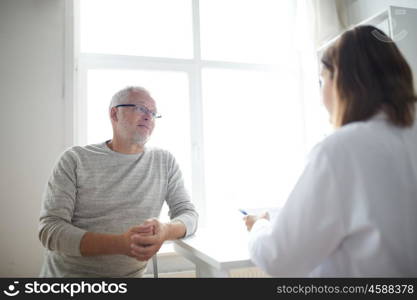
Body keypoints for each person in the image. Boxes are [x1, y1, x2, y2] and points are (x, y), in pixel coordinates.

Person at [244, 25, 417, 277]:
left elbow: (278, 258)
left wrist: (258, 226)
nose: (321, 93)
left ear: (343, 81)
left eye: (322, 80)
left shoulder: (340, 150)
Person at [39, 86, 198, 277]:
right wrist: (121, 244)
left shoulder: (164, 162)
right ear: (114, 114)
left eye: (153, 113)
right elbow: (50, 229)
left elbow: (188, 214)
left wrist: (166, 230)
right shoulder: (75, 159)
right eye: (141, 108)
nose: (149, 117)